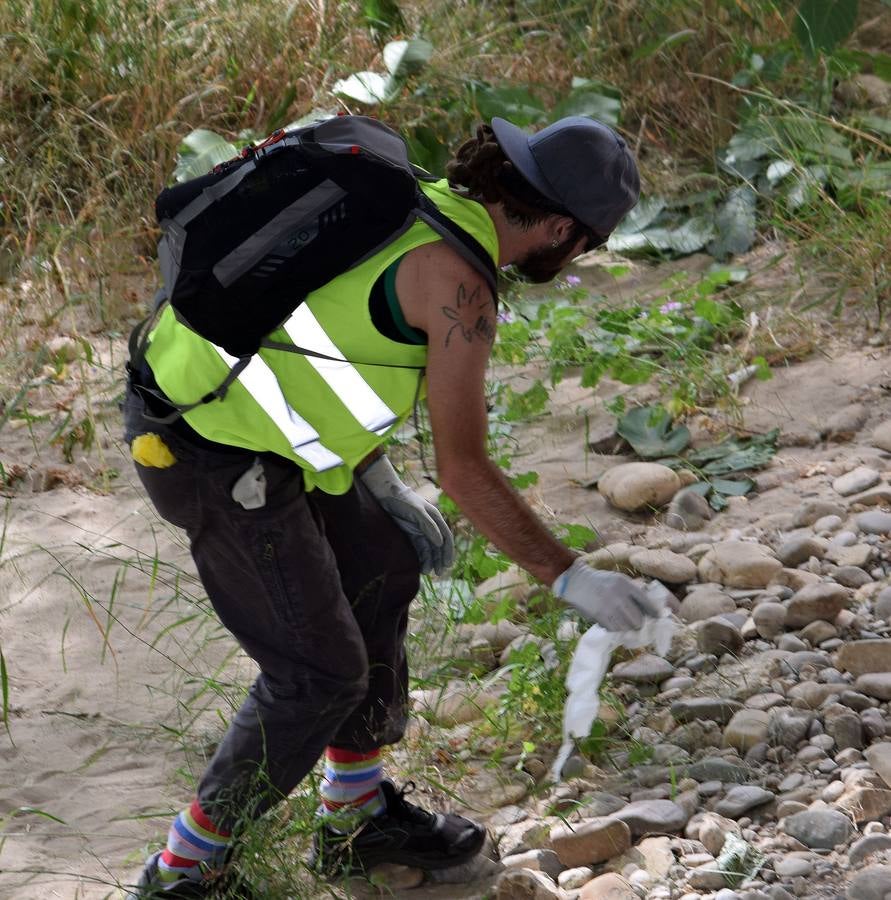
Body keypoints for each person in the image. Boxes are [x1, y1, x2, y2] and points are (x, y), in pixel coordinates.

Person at [123, 114, 658, 898]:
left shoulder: (412, 205)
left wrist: (375, 482)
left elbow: (314, 346)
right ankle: (183, 870)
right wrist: (568, 577)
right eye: (587, 244)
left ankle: (354, 817)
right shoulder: (461, 285)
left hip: (241, 425)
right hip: (207, 449)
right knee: (318, 673)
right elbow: (464, 469)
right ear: (558, 229)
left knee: (383, 559)